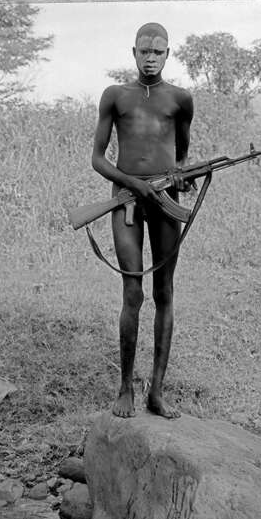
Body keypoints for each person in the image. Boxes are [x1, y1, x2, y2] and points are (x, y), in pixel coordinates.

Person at [90, 22, 194, 419]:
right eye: (145, 52)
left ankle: (157, 393)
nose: (151, 59)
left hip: (164, 200)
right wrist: (133, 184)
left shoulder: (180, 99)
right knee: (133, 293)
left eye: (158, 52)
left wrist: (180, 176)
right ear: (133, 52)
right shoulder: (115, 96)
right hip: (128, 200)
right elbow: (98, 158)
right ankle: (125, 390)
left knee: (164, 292)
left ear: (168, 54)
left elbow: (181, 154)